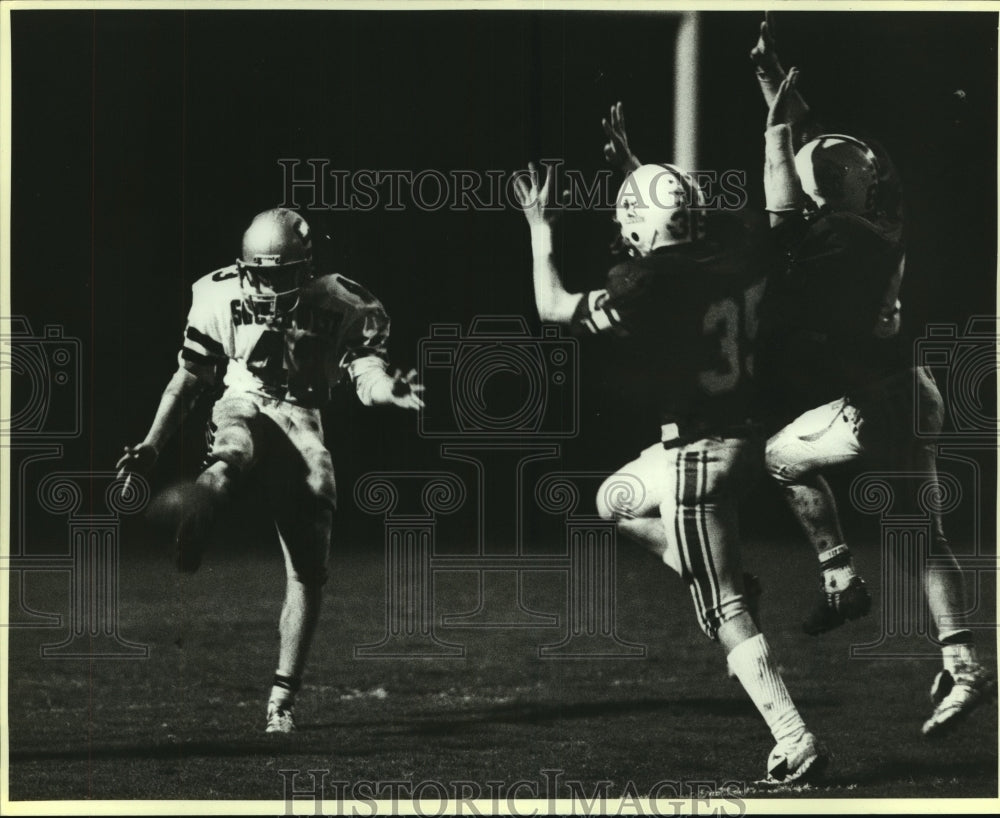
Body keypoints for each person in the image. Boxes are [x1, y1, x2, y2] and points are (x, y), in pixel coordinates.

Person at [513, 158, 827, 785]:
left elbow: (552, 307)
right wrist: (639, 168)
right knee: (617, 499)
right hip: (748, 443)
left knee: (722, 611)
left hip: (696, 456)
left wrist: (539, 226)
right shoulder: (733, 256)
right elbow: (685, 233)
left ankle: (795, 740)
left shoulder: (643, 281)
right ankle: (716, 572)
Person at [752, 17, 995, 737]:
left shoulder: (832, 238)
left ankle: (838, 574)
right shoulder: (879, 214)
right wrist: (775, 90)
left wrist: (773, 131)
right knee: (925, 535)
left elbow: (784, 197)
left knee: (777, 455)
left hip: (871, 404)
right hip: (914, 386)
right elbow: (820, 161)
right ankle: (965, 667)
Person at [117, 207, 424, 734]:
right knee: (236, 431)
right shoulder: (218, 295)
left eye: (278, 273)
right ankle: (208, 492)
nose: (264, 284)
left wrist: (388, 391)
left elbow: (367, 374)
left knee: (310, 562)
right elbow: (188, 381)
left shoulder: (344, 302)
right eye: (257, 271)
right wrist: (150, 444)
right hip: (246, 398)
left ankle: (282, 697)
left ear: (305, 268)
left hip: (302, 415)